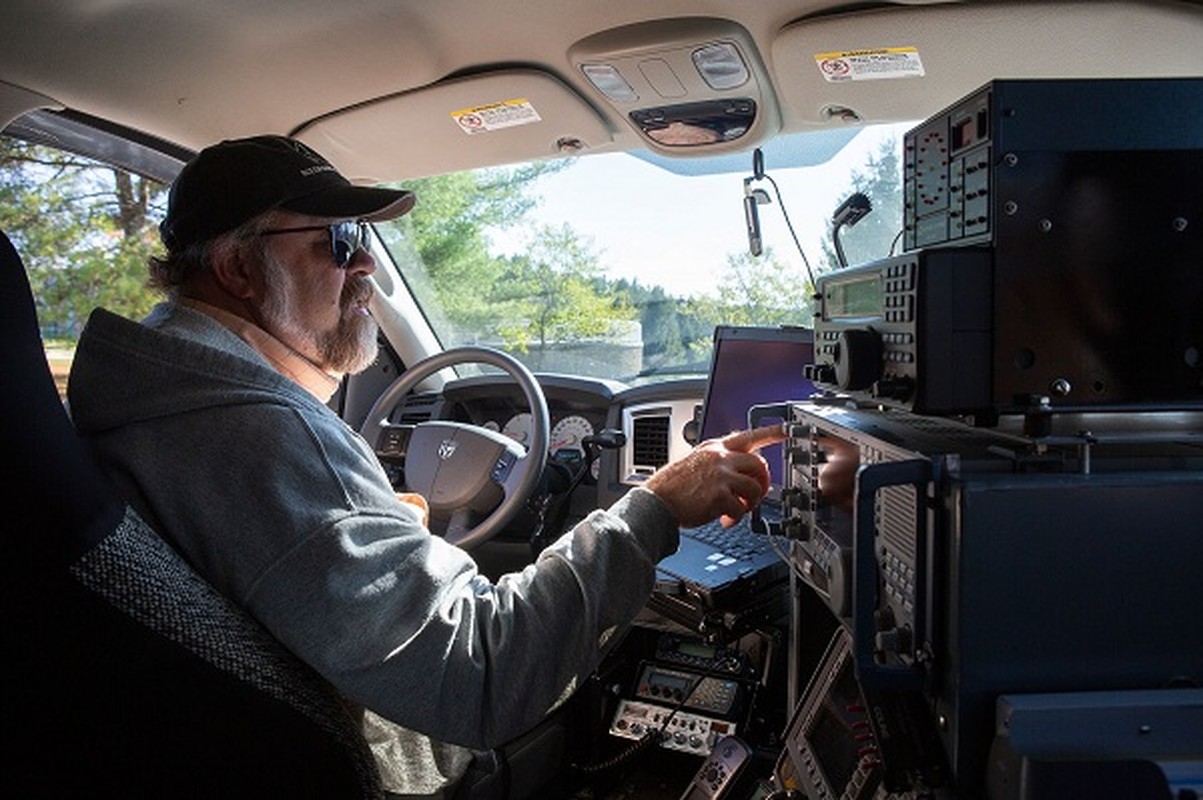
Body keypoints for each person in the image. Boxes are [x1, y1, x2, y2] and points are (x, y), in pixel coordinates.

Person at [67, 135, 785, 797]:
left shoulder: (156, 395)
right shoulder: (259, 432)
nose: (365, 264)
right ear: (236, 269)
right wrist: (652, 507)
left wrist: (373, 524)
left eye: (365, 241)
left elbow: (285, 554)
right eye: (338, 242)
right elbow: (482, 674)